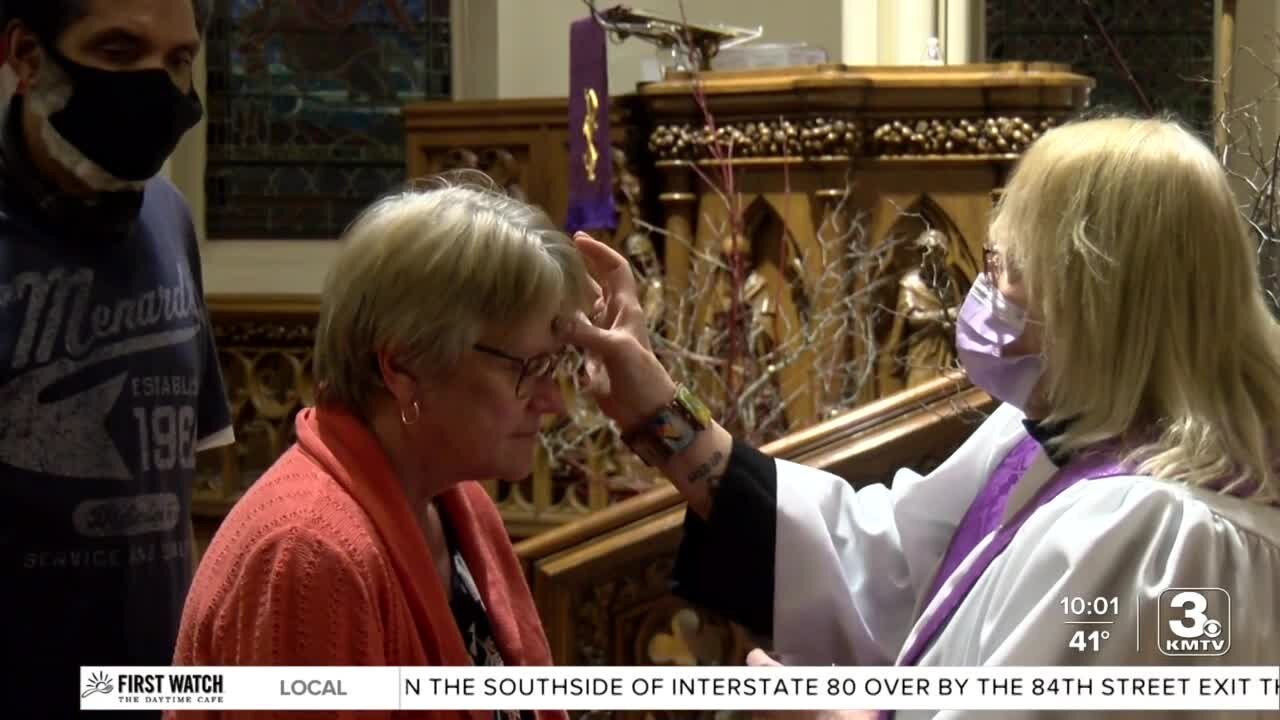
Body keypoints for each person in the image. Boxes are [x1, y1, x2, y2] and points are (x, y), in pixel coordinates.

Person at [569, 116, 1280, 719]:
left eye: (1005, 268)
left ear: (1091, 299)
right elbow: (881, 568)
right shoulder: (1055, 433)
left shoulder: (1160, 532)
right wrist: (657, 411)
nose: (986, 295)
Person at [171, 182, 588, 720]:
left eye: (552, 366)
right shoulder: (307, 553)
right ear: (403, 366)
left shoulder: (458, 500)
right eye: (527, 368)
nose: (555, 402)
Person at [0, 0, 231, 717]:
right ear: (28, 56)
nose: (158, 88)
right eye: (120, 51)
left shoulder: (171, 218)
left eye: (178, 60)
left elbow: (173, 502)